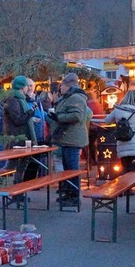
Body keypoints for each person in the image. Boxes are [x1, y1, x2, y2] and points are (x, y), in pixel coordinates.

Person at [48, 72, 89, 206]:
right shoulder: (70, 97)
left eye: (61, 86)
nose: (60, 89)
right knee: (68, 169)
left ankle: (74, 197)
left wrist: (58, 117)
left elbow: (76, 116)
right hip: (67, 138)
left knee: (72, 169)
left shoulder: (75, 98)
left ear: (67, 85)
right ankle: (69, 194)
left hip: (71, 138)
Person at [3, 75, 37, 188]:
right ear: (22, 87)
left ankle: (18, 192)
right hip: (16, 138)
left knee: (21, 167)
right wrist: (30, 112)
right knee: (11, 166)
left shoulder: (21, 99)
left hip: (23, 139)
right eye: (27, 86)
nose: (29, 88)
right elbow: (18, 120)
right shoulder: (13, 100)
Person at [104, 89, 135, 174]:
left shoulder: (117, 110)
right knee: (133, 168)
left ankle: (126, 185)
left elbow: (107, 121)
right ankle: (130, 185)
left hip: (122, 141)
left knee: (124, 166)